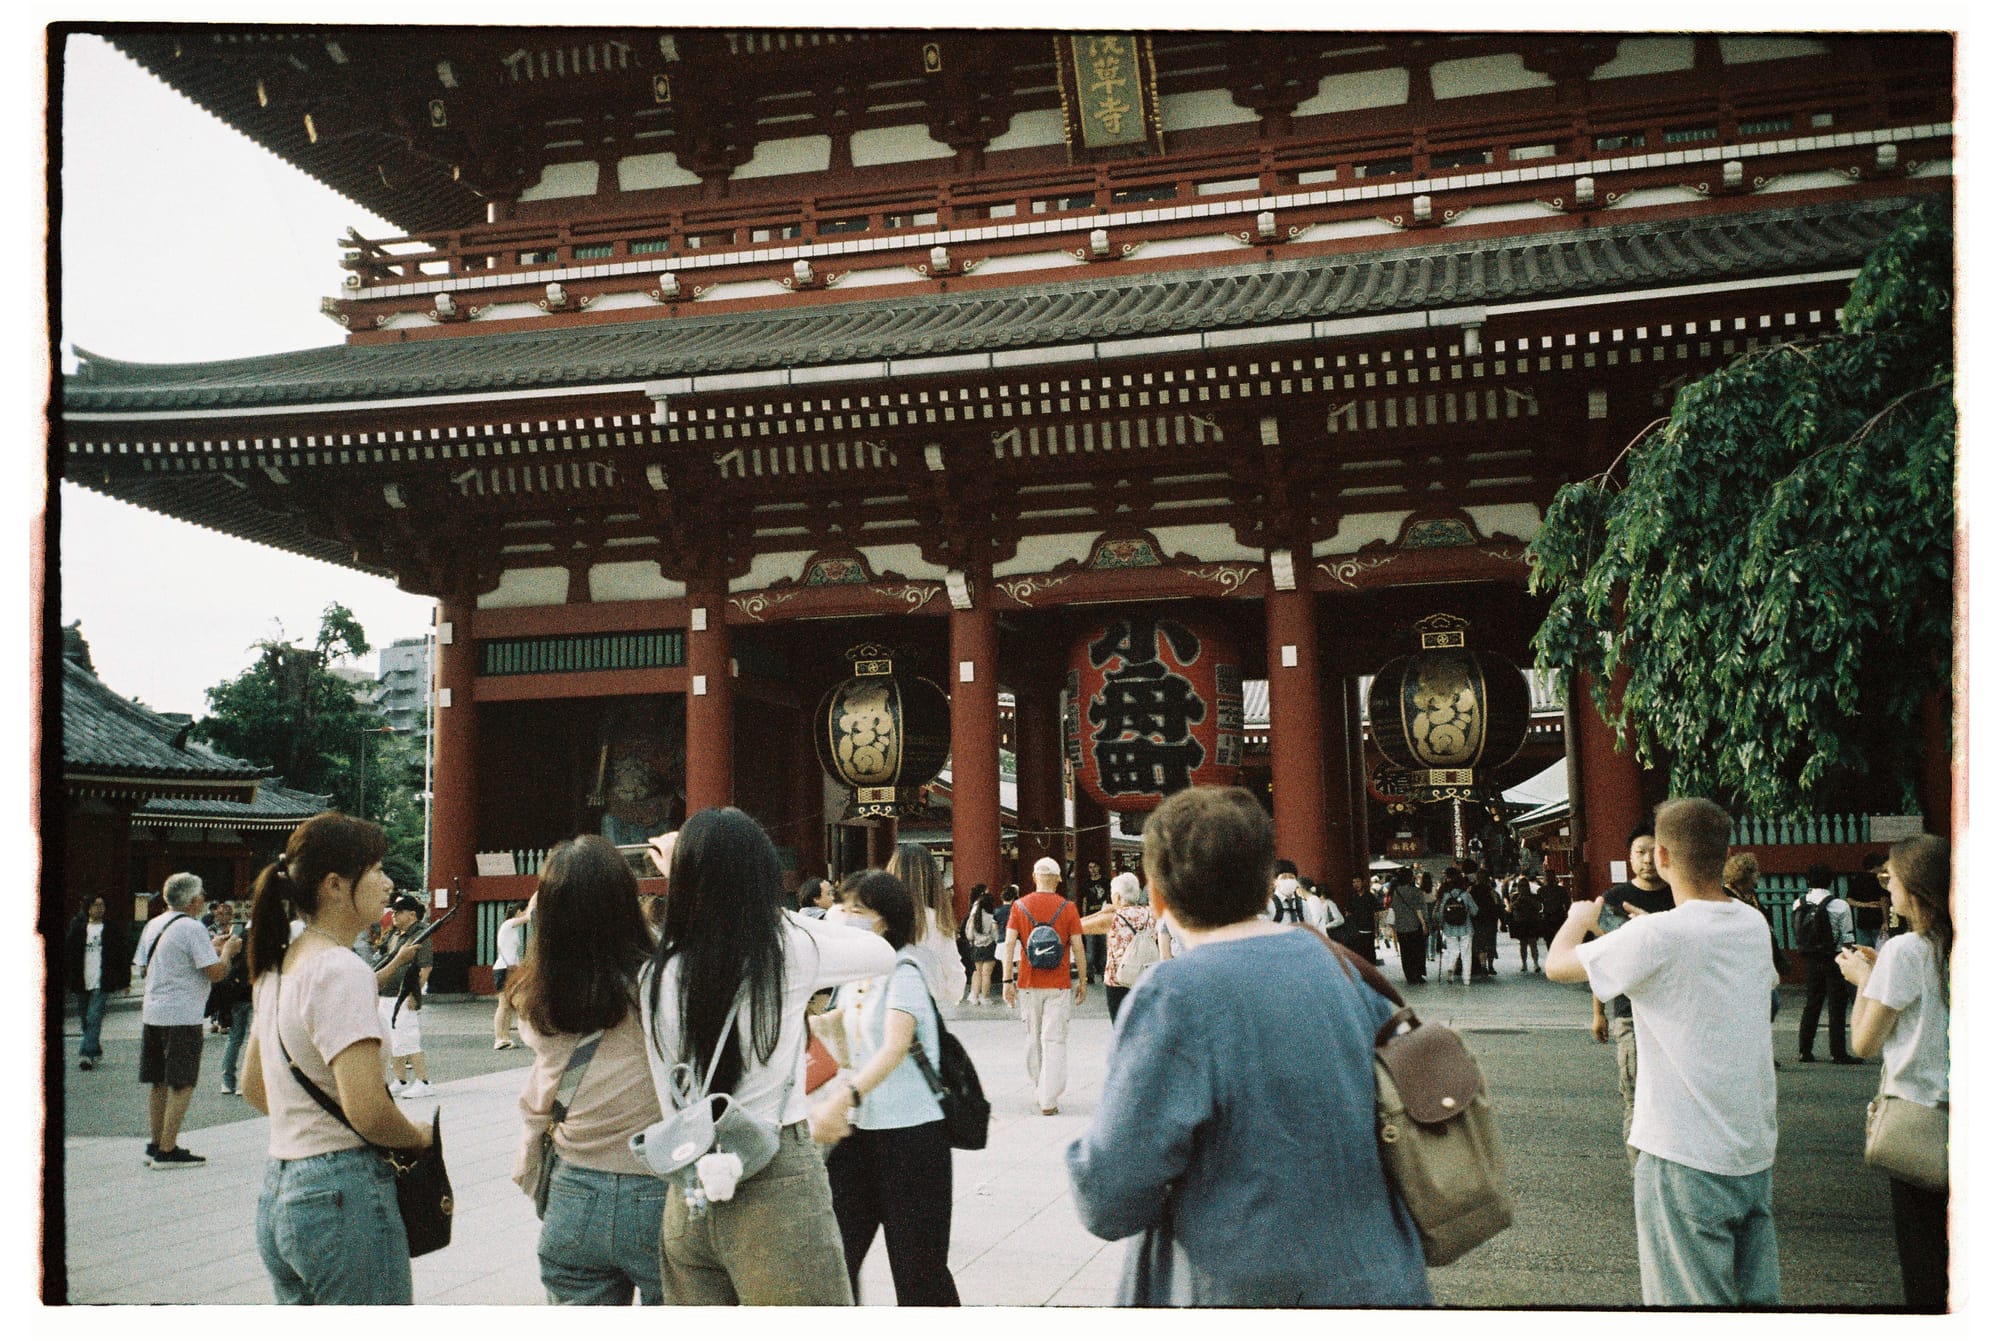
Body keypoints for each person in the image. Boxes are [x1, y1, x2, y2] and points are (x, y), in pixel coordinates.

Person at [1066, 786, 1431, 1306]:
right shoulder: (1340, 967)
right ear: (1266, 887)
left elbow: (1110, 1196)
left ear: (1158, 896)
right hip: (1381, 1277)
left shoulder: (1176, 995)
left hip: (1242, 1290)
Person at [639, 807, 893, 1306]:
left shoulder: (657, 972)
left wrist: (691, 874)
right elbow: (879, 953)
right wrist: (768, 908)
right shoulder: (788, 949)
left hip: (688, 1185)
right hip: (776, 1179)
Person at [1548, 798, 1780, 1307]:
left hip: (1682, 1155)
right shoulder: (1751, 924)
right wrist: (1641, 931)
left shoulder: (1658, 935)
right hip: (1751, 1151)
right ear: (1723, 856)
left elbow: (1558, 964)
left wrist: (1579, 916)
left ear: (1665, 856)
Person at [237, 812, 432, 1304]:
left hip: (281, 1187)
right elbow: (367, 1110)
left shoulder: (279, 963)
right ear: (334, 885)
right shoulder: (341, 969)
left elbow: (254, 1088)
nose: (388, 882)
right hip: (342, 1194)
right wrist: (418, 1138)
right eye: (378, 869)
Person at [508, 837, 668, 1305]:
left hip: (574, 1190)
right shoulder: (660, 982)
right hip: (658, 1185)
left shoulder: (534, 994)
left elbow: (541, 1083)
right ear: (625, 899)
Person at [812, 870, 962, 1305]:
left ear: (886, 922)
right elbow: (847, 1041)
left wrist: (845, 1097)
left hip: (913, 1139)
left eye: (857, 909)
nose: (843, 915)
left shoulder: (905, 970)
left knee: (919, 1271)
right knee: (836, 1257)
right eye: (842, 905)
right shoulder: (857, 975)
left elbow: (896, 1045)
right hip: (859, 1137)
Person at [1836, 835, 1950, 1313]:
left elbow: (1863, 1043)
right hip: (1966, 1113)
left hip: (1919, 1119)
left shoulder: (1906, 950)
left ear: (1913, 887)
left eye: (1891, 878)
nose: (1887, 889)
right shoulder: (1954, 945)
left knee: (1924, 1259)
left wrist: (1864, 982)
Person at [133, 873, 242, 1167]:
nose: (204, 899)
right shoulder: (192, 928)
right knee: (182, 1082)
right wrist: (228, 952)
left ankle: (156, 1144)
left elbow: (145, 967)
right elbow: (216, 973)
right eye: (202, 895)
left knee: (157, 1080)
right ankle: (168, 1150)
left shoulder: (154, 924)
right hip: (182, 1014)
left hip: (153, 1011)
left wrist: (212, 947)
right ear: (194, 901)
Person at [1588, 827, 1677, 1158]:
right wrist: (1598, 1012)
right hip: (1631, 1013)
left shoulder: (1679, 895)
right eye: (1640, 852)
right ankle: (1641, 1176)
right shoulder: (1614, 900)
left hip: (1675, 1010)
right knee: (1637, 1098)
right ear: (1629, 857)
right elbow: (1601, 958)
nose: (1646, 859)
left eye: (1653, 851)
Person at [1001, 856, 1087, 1116]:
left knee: (1033, 1037)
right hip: (1059, 984)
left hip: (1028, 982)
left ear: (1034, 877)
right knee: (1055, 1039)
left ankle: (1039, 1087)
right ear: (1059, 879)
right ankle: (1049, 1098)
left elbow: (1009, 945)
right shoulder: (1068, 907)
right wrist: (1082, 979)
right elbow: (1078, 947)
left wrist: (1007, 980)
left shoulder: (1019, 906)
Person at [1793, 862, 1858, 1064]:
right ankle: (1837, 1052)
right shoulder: (1839, 905)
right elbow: (1847, 936)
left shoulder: (1799, 903)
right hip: (1833, 957)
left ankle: (1805, 1050)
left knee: (1812, 1002)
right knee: (1836, 1005)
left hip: (1811, 958)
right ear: (1830, 881)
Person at [887, 842, 966, 1005]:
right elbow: (954, 974)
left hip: (882, 1006)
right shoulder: (936, 920)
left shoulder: (878, 916)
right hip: (923, 1005)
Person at [1078, 872, 1159, 1024]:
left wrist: (1101, 912)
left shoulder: (1114, 918)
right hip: (1147, 976)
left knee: (1121, 1027)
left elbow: (1077, 926)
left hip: (1119, 979)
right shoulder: (1151, 913)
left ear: (1116, 896)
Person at [376, 895, 437, 1095]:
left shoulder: (420, 935)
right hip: (386, 993)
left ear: (411, 914)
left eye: (398, 912)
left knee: (408, 1037)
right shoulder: (395, 935)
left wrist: (414, 994)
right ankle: (401, 1079)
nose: (393, 915)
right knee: (392, 1038)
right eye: (393, 911)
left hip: (404, 993)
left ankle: (423, 1081)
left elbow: (425, 968)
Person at [66, 896, 129, 1072]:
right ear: (88, 908)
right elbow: (68, 955)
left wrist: (125, 980)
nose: (99, 909)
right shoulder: (78, 929)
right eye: (95, 905)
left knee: (94, 1017)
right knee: (85, 1018)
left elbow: (122, 955)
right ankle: (95, 1048)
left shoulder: (111, 929)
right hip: (82, 980)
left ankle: (86, 1054)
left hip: (103, 980)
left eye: (102, 905)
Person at [492, 900, 530, 1049]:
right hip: (504, 968)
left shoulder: (511, 929)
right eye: (525, 910)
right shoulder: (508, 924)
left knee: (507, 1004)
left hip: (509, 968)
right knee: (503, 1003)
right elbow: (529, 917)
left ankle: (505, 1037)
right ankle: (499, 1038)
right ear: (520, 911)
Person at [1388, 868, 1429, 985]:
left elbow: (1394, 908)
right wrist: (1424, 923)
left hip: (1400, 926)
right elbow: (1419, 909)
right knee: (1417, 950)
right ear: (1411, 878)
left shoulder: (1395, 892)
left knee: (1405, 952)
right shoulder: (1416, 892)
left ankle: (1409, 975)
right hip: (1414, 926)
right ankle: (1418, 974)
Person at [962, 884, 999, 1004]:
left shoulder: (974, 917)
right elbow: (995, 935)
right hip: (989, 947)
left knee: (977, 972)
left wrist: (973, 941)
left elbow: (969, 933)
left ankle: (974, 996)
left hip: (976, 947)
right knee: (986, 974)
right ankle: (985, 997)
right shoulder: (991, 917)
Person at [1848, 852, 1891, 948]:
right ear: (1876, 865)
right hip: (1878, 921)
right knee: (1880, 952)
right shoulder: (1880, 880)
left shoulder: (1857, 879)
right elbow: (1884, 901)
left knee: (1864, 952)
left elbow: (1849, 900)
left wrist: (1865, 904)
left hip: (1862, 922)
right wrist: (1885, 921)